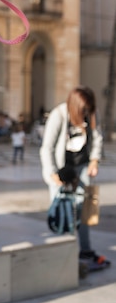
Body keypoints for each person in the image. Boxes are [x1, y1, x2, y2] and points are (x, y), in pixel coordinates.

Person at [39, 86, 110, 268]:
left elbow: (97, 136)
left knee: (85, 208)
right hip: (61, 168)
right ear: (75, 106)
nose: (86, 113)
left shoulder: (92, 113)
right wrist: (52, 173)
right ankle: (63, 252)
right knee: (62, 208)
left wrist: (94, 160)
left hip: (82, 165)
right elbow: (47, 147)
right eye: (83, 110)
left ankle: (85, 251)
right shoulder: (59, 115)